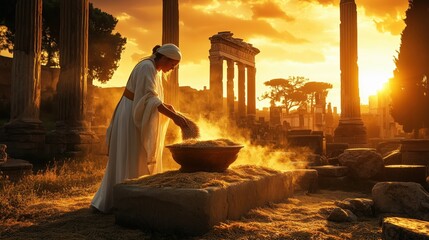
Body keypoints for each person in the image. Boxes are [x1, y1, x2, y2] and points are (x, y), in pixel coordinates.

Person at [91, 43, 189, 213]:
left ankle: (135, 199)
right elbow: (150, 99)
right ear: (164, 58)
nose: (172, 69)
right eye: (172, 65)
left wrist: (170, 109)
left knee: (137, 155)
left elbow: (151, 97)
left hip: (135, 110)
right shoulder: (146, 67)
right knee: (131, 153)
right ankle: (121, 200)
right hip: (130, 114)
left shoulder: (155, 70)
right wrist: (174, 117)